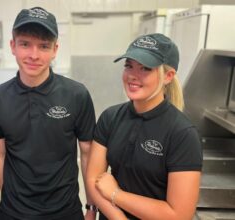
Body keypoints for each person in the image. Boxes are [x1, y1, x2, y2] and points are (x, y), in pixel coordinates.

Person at [0, 7, 96, 220]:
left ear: (55, 49)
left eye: (43, 46)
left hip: (65, 210)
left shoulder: (76, 95)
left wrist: (91, 207)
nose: (34, 55)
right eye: (25, 44)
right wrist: (9, 198)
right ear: (13, 46)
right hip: (14, 213)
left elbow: (88, 154)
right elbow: (0, 154)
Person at [86, 33, 203, 220]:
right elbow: (94, 179)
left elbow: (179, 214)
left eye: (145, 68)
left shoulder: (182, 133)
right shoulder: (111, 117)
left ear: (168, 76)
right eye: (128, 66)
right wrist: (118, 217)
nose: (132, 75)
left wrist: (116, 194)